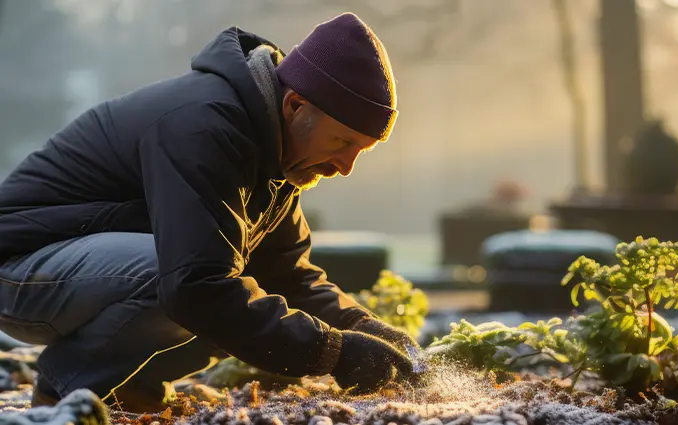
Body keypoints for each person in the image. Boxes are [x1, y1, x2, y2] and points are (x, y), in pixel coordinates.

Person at [0, 12, 418, 413]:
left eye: (360, 151)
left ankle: (129, 388)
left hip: (82, 272)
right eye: (343, 142)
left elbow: (287, 276)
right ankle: (66, 393)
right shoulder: (204, 127)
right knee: (191, 279)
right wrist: (334, 353)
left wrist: (364, 329)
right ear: (295, 106)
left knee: (237, 291)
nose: (346, 167)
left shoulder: (277, 155)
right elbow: (195, 286)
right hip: (20, 266)